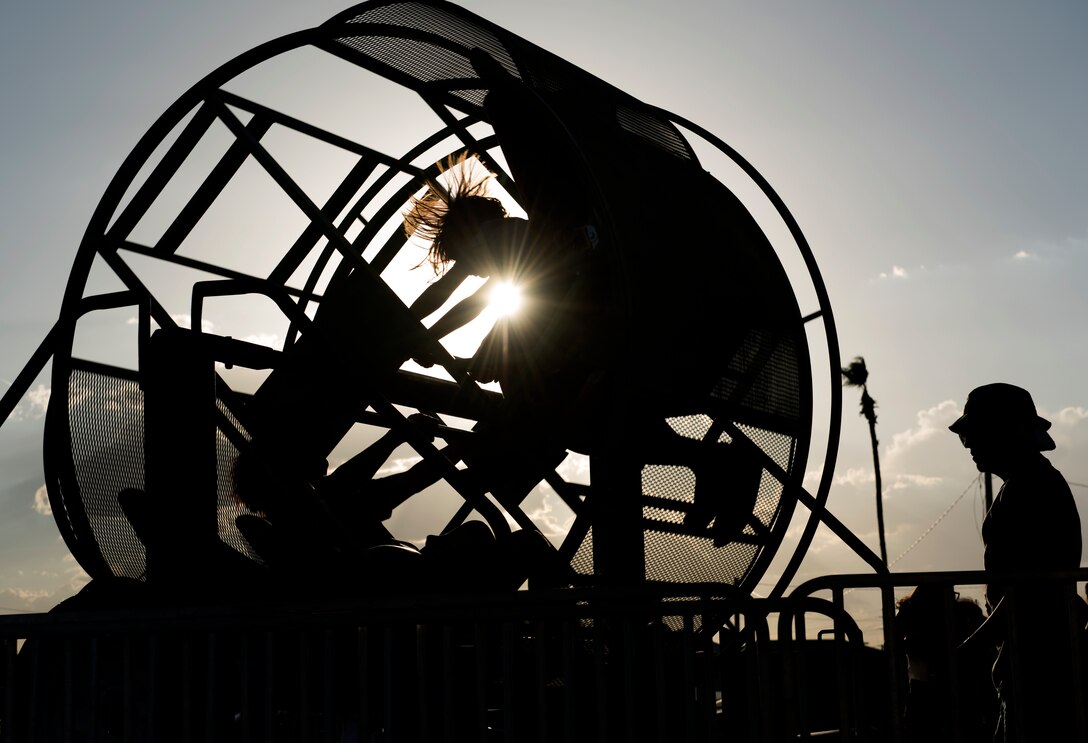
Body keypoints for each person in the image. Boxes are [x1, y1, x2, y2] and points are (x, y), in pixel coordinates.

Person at [949, 383, 1084, 741]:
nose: (971, 447)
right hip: (1035, 660)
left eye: (975, 435)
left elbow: (1029, 590)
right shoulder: (1033, 483)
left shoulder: (1031, 489)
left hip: (1040, 665)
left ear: (1004, 433)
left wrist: (970, 648)